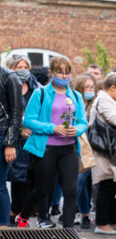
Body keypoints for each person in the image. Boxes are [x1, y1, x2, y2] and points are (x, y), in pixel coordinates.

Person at [15, 56, 87, 229]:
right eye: (59, 72)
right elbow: (29, 121)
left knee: (70, 191)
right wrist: (52, 128)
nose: (63, 76)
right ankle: (23, 216)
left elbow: (83, 121)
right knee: (42, 189)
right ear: (51, 72)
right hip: (46, 148)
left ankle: (69, 234)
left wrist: (76, 129)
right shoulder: (40, 94)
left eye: (67, 72)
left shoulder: (76, 95)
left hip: (69, 148)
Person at [89, 71, 116, 235]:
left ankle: (112, 220)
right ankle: (102, 223)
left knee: (114, 185)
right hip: (104, 149)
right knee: (107, 186)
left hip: (109, 149)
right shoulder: (103, 100)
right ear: (113, 87)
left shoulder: (108, 100)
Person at [5, 55, 37, 224]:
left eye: (26, 67)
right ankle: (13, 211)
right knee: (17, 179)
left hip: (33, 139)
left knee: (30, 179)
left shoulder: (35, 87)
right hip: (14, 138)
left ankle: (21, 212)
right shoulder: (7, 85)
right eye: (19, 67)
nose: (23, 71)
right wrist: (19, 130)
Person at [71, 74, 97, 229]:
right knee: (79, 179)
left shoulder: (96, 103)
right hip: (78, 146)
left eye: (92, 87)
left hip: (93, 147)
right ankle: (84, 215)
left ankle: (73, 211)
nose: (90, 90)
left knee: (80, 180)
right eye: (87, 87)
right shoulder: (75, 103)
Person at [0, 64, 23, 226]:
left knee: (0, 184)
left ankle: (2, 225)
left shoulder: (10, 77)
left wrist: (10, 143)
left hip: (2, 135)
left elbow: (16, 113)